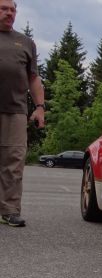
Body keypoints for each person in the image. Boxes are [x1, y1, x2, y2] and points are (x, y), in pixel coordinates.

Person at [0, 0, 45, 227]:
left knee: (14, 161)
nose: (9, 13)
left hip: (16, 111)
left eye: (12, 9)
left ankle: (8, 210)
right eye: (4, 9)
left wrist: (39, 108)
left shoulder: (25, 42)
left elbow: (33, 78)